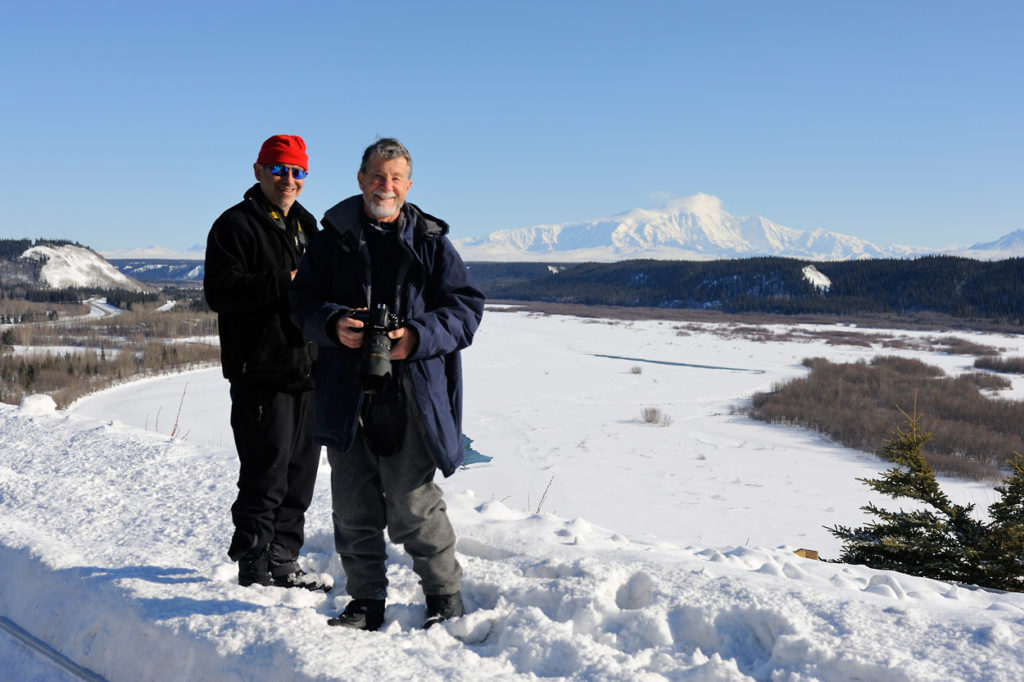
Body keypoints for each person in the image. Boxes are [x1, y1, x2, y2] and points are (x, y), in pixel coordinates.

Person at [289, 137, 484, 630]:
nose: (386, 186)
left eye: (396, 178)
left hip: (412, 393)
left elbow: (465, 311)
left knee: (413, 502)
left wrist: (415, 337)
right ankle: (366, 600)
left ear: (409, 185)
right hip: (345, 390)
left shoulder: (431, 241)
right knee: (352, 503)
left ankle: (444, 595)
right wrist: (334, 324)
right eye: (378, 176)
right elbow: (302, 304)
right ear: (360, 180)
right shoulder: (332, 237)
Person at [204, 134, 330, 591]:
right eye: (279, 169)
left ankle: (284, 559)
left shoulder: (306, 225)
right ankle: (254, 570)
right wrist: (288, 281)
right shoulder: (235, 225)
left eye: (297, 172)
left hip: (307, 369)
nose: (289, 179)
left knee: (300, 477)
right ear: (258, 170)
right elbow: (220, 292)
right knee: (265, 475)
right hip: (261, 374)